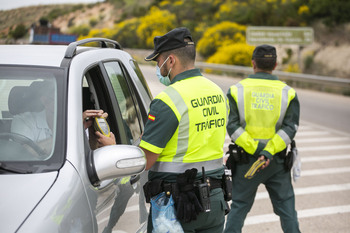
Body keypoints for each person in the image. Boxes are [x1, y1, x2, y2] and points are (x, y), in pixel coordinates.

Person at [139, 27, 229, 233]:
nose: (158, 67)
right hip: (215, 199)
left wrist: (114, 147)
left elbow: (145, 161)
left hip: (177, 205)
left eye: (158, 61)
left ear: (170, 60)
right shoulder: (217, 92)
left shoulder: (167, 100)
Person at [224, 44, 301, 233]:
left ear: (253, 63)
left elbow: (232, 126)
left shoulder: (236, 90)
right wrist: (268, 151)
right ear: (275, 65)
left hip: (246, 162)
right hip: (276, 161)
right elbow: (290, 128)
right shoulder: (287, 92)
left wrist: (255, 148)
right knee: (287, 210)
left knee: (239, 208)